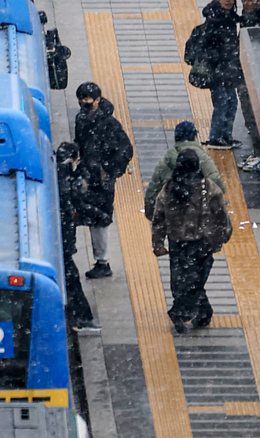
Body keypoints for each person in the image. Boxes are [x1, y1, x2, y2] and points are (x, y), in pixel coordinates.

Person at [151, 148, 233, 334]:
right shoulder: (209, 188)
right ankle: (186, 313)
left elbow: (159, 218)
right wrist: (221, 237)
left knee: (181, 281)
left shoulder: (169, 189)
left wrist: (157, 242)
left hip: (177, 243)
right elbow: (221, 214)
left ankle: (192, 312)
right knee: (196, 281)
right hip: (202, 243)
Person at [73, 81, 134, 279]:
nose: (84, 104)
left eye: (87, 100)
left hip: (99, 179)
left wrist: (107, 170)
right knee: (90, 215)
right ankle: (99, 259)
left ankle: (102, 260)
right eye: (81, 100)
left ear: (98, 100)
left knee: (99, 219)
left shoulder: (109, 124)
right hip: (88, 173)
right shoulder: (82, 119)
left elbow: (126, 149)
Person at [184, 0, 243, 149]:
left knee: (231, 102)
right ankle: (216, 137)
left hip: (228, 69)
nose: (228, 0)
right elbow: (207, 45)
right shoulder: (214, 21)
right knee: (223, 101)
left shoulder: (232, 20)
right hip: (217, 70)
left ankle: (225, 136)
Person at [54, 140, 98, 330]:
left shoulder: (56, 175)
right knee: (71, 277)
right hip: (63, 242)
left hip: (60, 241)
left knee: (70, 276)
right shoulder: (66, 181)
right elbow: (75, 202)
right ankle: (81, 315)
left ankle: (80, 314)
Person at [144, 120, 224, 220]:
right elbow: (218, 184)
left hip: (173, 217)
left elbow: (152, 191)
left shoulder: (166, 161)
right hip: (199, 217)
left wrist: (153, 215)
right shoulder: (203, 158)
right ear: (194, 137)